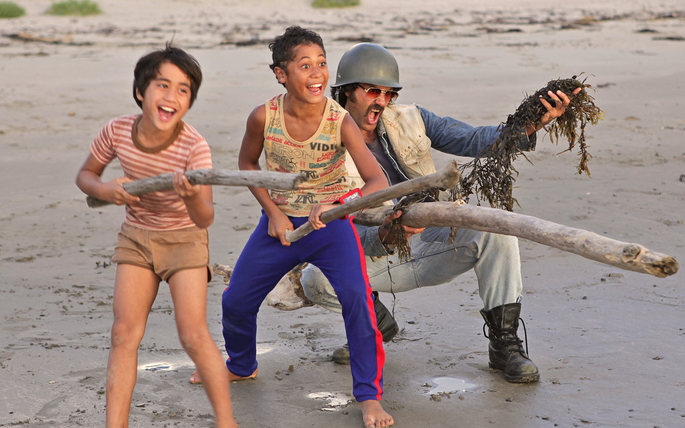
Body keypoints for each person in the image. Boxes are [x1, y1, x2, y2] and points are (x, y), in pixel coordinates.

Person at [299, 42, 578, 384]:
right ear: (344, 91)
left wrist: (532, 121)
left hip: (435, 237)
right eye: (373, 91)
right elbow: (335, 230)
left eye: (389, 93)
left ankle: (505, 347)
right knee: (316, 278)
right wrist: (385, 235)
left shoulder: (412, 118)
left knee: (497, 232)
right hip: (377, 254)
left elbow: (476, 140)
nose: (382, 102)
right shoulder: (320, 145)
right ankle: (373, 326)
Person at [201, 27, 393, 428]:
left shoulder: (340, 121)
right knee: (235, 301)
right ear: (281, 74)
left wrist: (339, 204)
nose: (317, 72)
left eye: (322, 63)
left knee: (358, 301)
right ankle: (241, 365)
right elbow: (248, 166)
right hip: (281, 227)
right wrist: (271, 212)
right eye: (305, 65)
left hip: (332, 227)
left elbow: (378, 183)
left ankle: (369, 396)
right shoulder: (264, 117)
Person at [75, 45, 238, 427]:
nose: (172, 96)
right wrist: (107, 190)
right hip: (136, 237)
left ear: (190, 102)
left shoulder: (194, 147)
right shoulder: (116, 131)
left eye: (183, 90)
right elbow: (85, 176)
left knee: (193, 334)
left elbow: (205, 218)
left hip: (185, 240)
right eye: (163, 85)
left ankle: (227, 422)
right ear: (140, 92)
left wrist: (192, 194)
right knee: (123, 332)